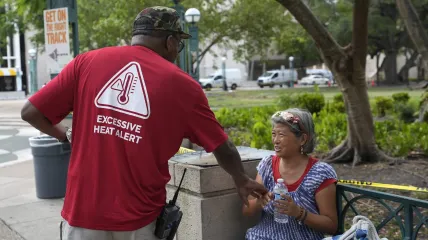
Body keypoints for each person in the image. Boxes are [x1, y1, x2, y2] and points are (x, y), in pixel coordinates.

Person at [21, 6, 267, 240]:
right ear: (170, 41)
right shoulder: (183, 86)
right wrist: (240, 178)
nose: (177, 51)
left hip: (82, 214)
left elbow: (31, 112)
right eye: (178, 45)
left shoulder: (86, 62)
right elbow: (222, 146)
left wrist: (65, 135)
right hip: (140, 220)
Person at [243, 108, 338, 240]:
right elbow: (246, 210)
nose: (275, 140)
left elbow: (331, 226)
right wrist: (260, 201)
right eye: (273, 134)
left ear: (303, 139)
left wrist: (299, 213)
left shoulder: (319, 173)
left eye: (281, 135)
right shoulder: (267, 165)